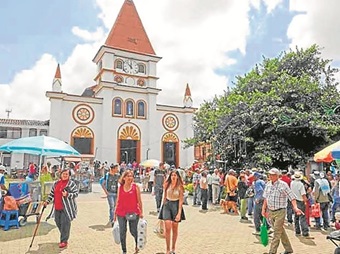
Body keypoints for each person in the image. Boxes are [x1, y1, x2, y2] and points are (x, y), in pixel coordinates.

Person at [262, 168, 303, 254]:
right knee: (280, 231)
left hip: (280, 211)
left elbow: (292, 197)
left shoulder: (283, 185)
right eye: (269, 174)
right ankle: (288, 249)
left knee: (276, 233)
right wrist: (263, 209)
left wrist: (295, 208)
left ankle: (272, 252)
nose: (270, 176)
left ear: (277, 176)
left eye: (272, 175)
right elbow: (266, 198)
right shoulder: (268, 185)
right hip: (270, 211)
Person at [44, 168, 78, 248]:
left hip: (67, 208)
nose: (65, 175)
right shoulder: (56, 183)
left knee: (65, 224)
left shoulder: (71, 184)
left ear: (69, 175)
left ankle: (64, 241)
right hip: (57, 207)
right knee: (58, 222)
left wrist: (67, 194)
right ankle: (64, 235)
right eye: (64, 174)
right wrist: (47, 201)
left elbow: (76, 194)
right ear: (61, 175)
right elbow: (52, 194)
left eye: (67, 174)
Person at [114, 170, 143, 254]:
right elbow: (118, 200)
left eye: (131, 176)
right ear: (124, 178)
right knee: (122, 231)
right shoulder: (120, 187)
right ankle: (124, 251)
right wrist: (115, 213)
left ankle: (138, 245)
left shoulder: (135, 187)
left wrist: (141, 212)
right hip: (121, 212)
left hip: (133, 212)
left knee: (133, 231)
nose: (130, 178)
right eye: (128, 176)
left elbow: (139, 201)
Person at [159, 169, 186, 254]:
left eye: (175, 175)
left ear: (178, 177)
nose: (173, 177)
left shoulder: (180, 186)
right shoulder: (167, 184)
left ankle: (173, 248)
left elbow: (181, 200)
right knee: (167, 227)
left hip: (176, 205)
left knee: (175, 228)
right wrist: (161, 211)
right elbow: (164, 197)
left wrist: (179, 213)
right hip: (167, 205)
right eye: (172, 175)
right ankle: (167, 249)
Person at [290, 171, 313, 238]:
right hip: (300, 201)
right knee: (302, 217)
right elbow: (303, 195)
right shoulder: (300, 184)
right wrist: (306, 201)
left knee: (296, 217)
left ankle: (297, 231)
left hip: (294, 201)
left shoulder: (292, 183)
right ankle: (305, 232)